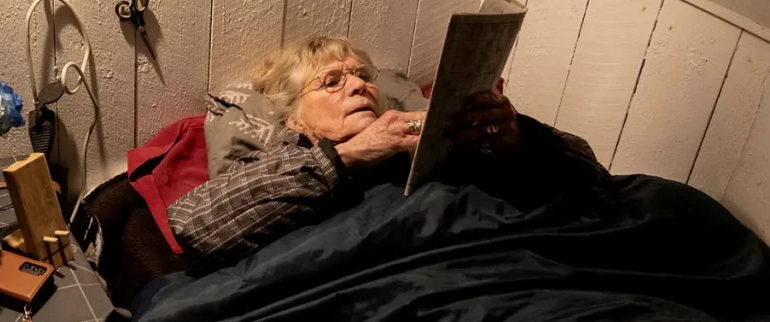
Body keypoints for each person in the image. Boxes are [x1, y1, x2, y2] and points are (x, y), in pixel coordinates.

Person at [167, 36, 608, 267]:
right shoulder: (285, 158)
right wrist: (345, 157)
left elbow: (594, 175)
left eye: (362, 76)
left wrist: (523, 140)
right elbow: (193, 224)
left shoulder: (425, 140)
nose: (358, 85)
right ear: (295, 117)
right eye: (332, 81)